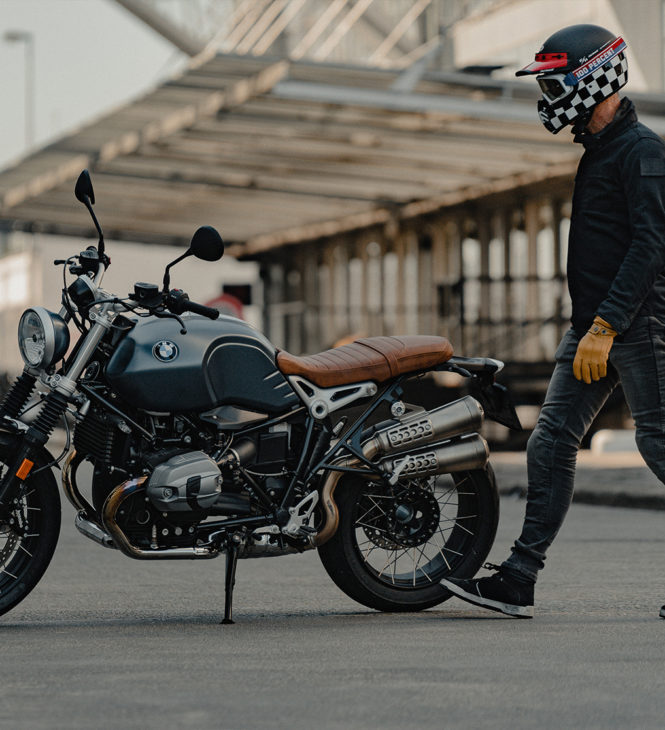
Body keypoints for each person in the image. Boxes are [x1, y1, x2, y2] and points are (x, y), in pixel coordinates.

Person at [441, 24, 665, 619]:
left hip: (637, 328)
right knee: (548, 447)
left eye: (555, 80)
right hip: (594, 330)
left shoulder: (642, 150)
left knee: (661, 446)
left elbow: (650, 247)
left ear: (597, 77)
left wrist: (608, 325)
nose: (548, 93)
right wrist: (592, 327)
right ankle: (519, 578)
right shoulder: (598, 152)